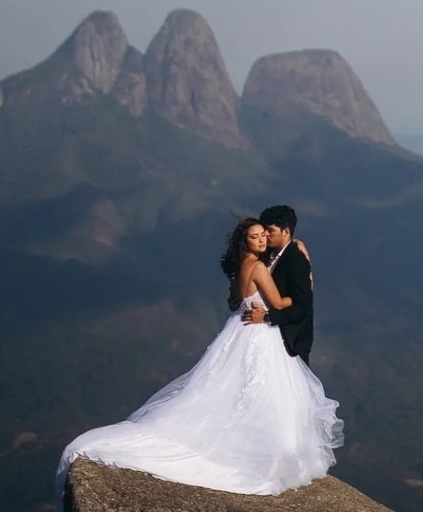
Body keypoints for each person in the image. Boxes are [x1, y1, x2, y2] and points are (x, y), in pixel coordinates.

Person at [54, 217, 343, 509]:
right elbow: (280, 303)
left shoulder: (241, 268)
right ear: (246, 242)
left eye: (263, 236)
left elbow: (234, 301)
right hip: (258, 334)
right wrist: (305, 288)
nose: (262, 240)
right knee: (264, 392)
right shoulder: (257, 267)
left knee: (233, 388)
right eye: (255, 237)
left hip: (238, 329)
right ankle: (263, 451)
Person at [241, 205, 315, 365]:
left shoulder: (296, 260)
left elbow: (303, 307)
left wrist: (267, 317)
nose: (265, 235)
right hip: (264, 338)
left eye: (270, 230)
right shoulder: (266, 254)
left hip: (290, 343)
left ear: (286, 232)